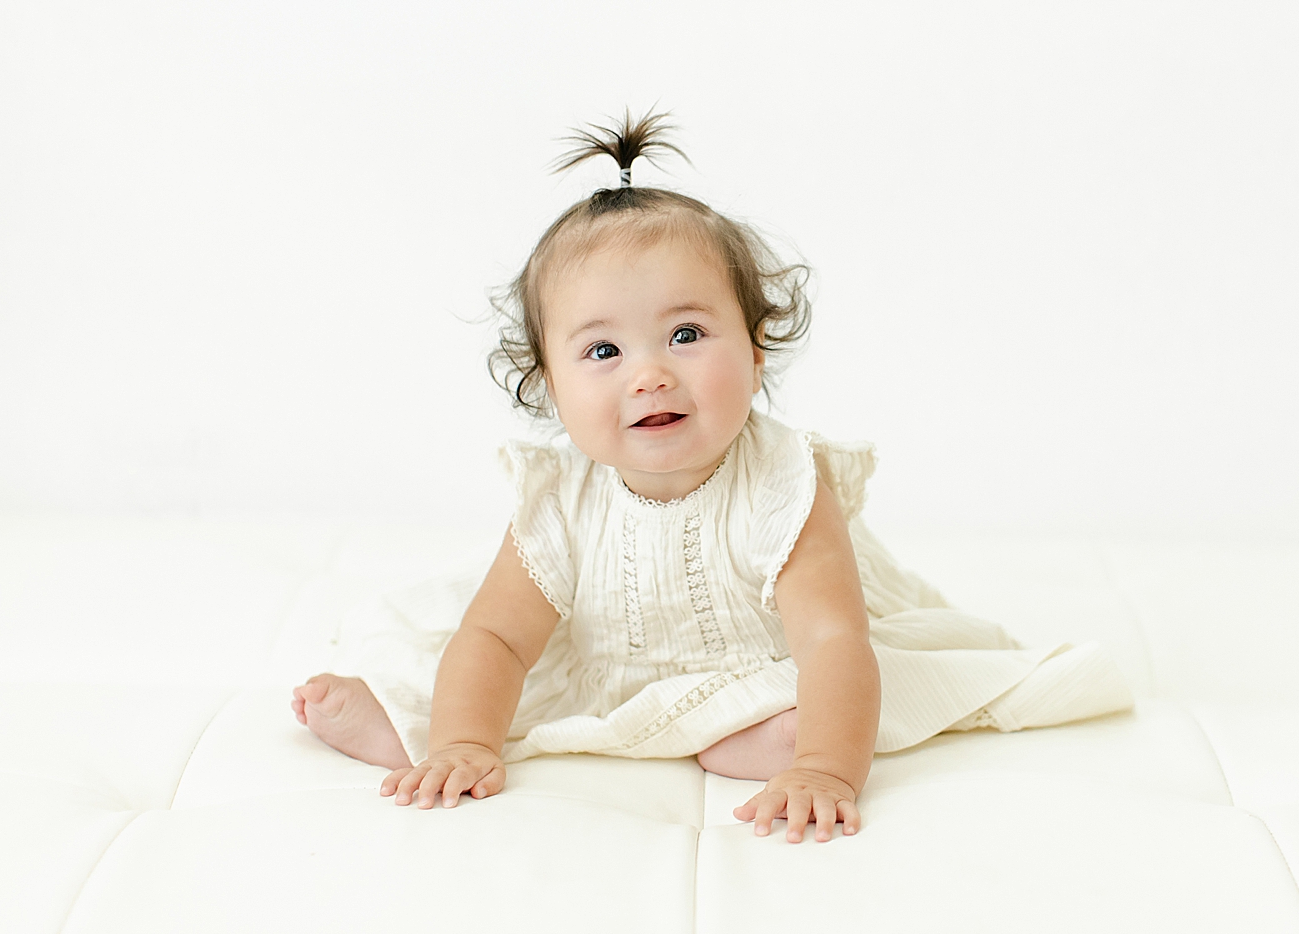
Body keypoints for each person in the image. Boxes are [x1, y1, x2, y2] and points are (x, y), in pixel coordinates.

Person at [291, 110, 1134, 844]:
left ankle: (741, 736)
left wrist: (826, 772)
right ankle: (422, 736)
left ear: (757, 348)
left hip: (761, 666)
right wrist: (466, 742)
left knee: (814, 715)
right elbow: (499, 638)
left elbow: (832, 642)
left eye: (686, 335)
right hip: (602, 657)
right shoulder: (561, 500)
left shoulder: (784, 485)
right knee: (456, 683)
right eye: (603, 351)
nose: (649, 375)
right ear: (548, 386)